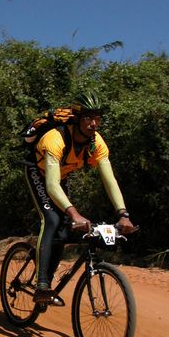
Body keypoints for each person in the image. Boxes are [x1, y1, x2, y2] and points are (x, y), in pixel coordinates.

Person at [25, 89, 137, 305]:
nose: (93, 124)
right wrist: (74, 212)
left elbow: (109, 180)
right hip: (39, 173)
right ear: (76, 118)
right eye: (88, 117)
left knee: (64, 228)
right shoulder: (55, 138)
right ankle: (41, 285)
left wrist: (123, 214)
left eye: (97, 118)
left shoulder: (97, 143)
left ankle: (48, 274)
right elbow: (51, 185)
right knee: (52, 220)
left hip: (61, 177)